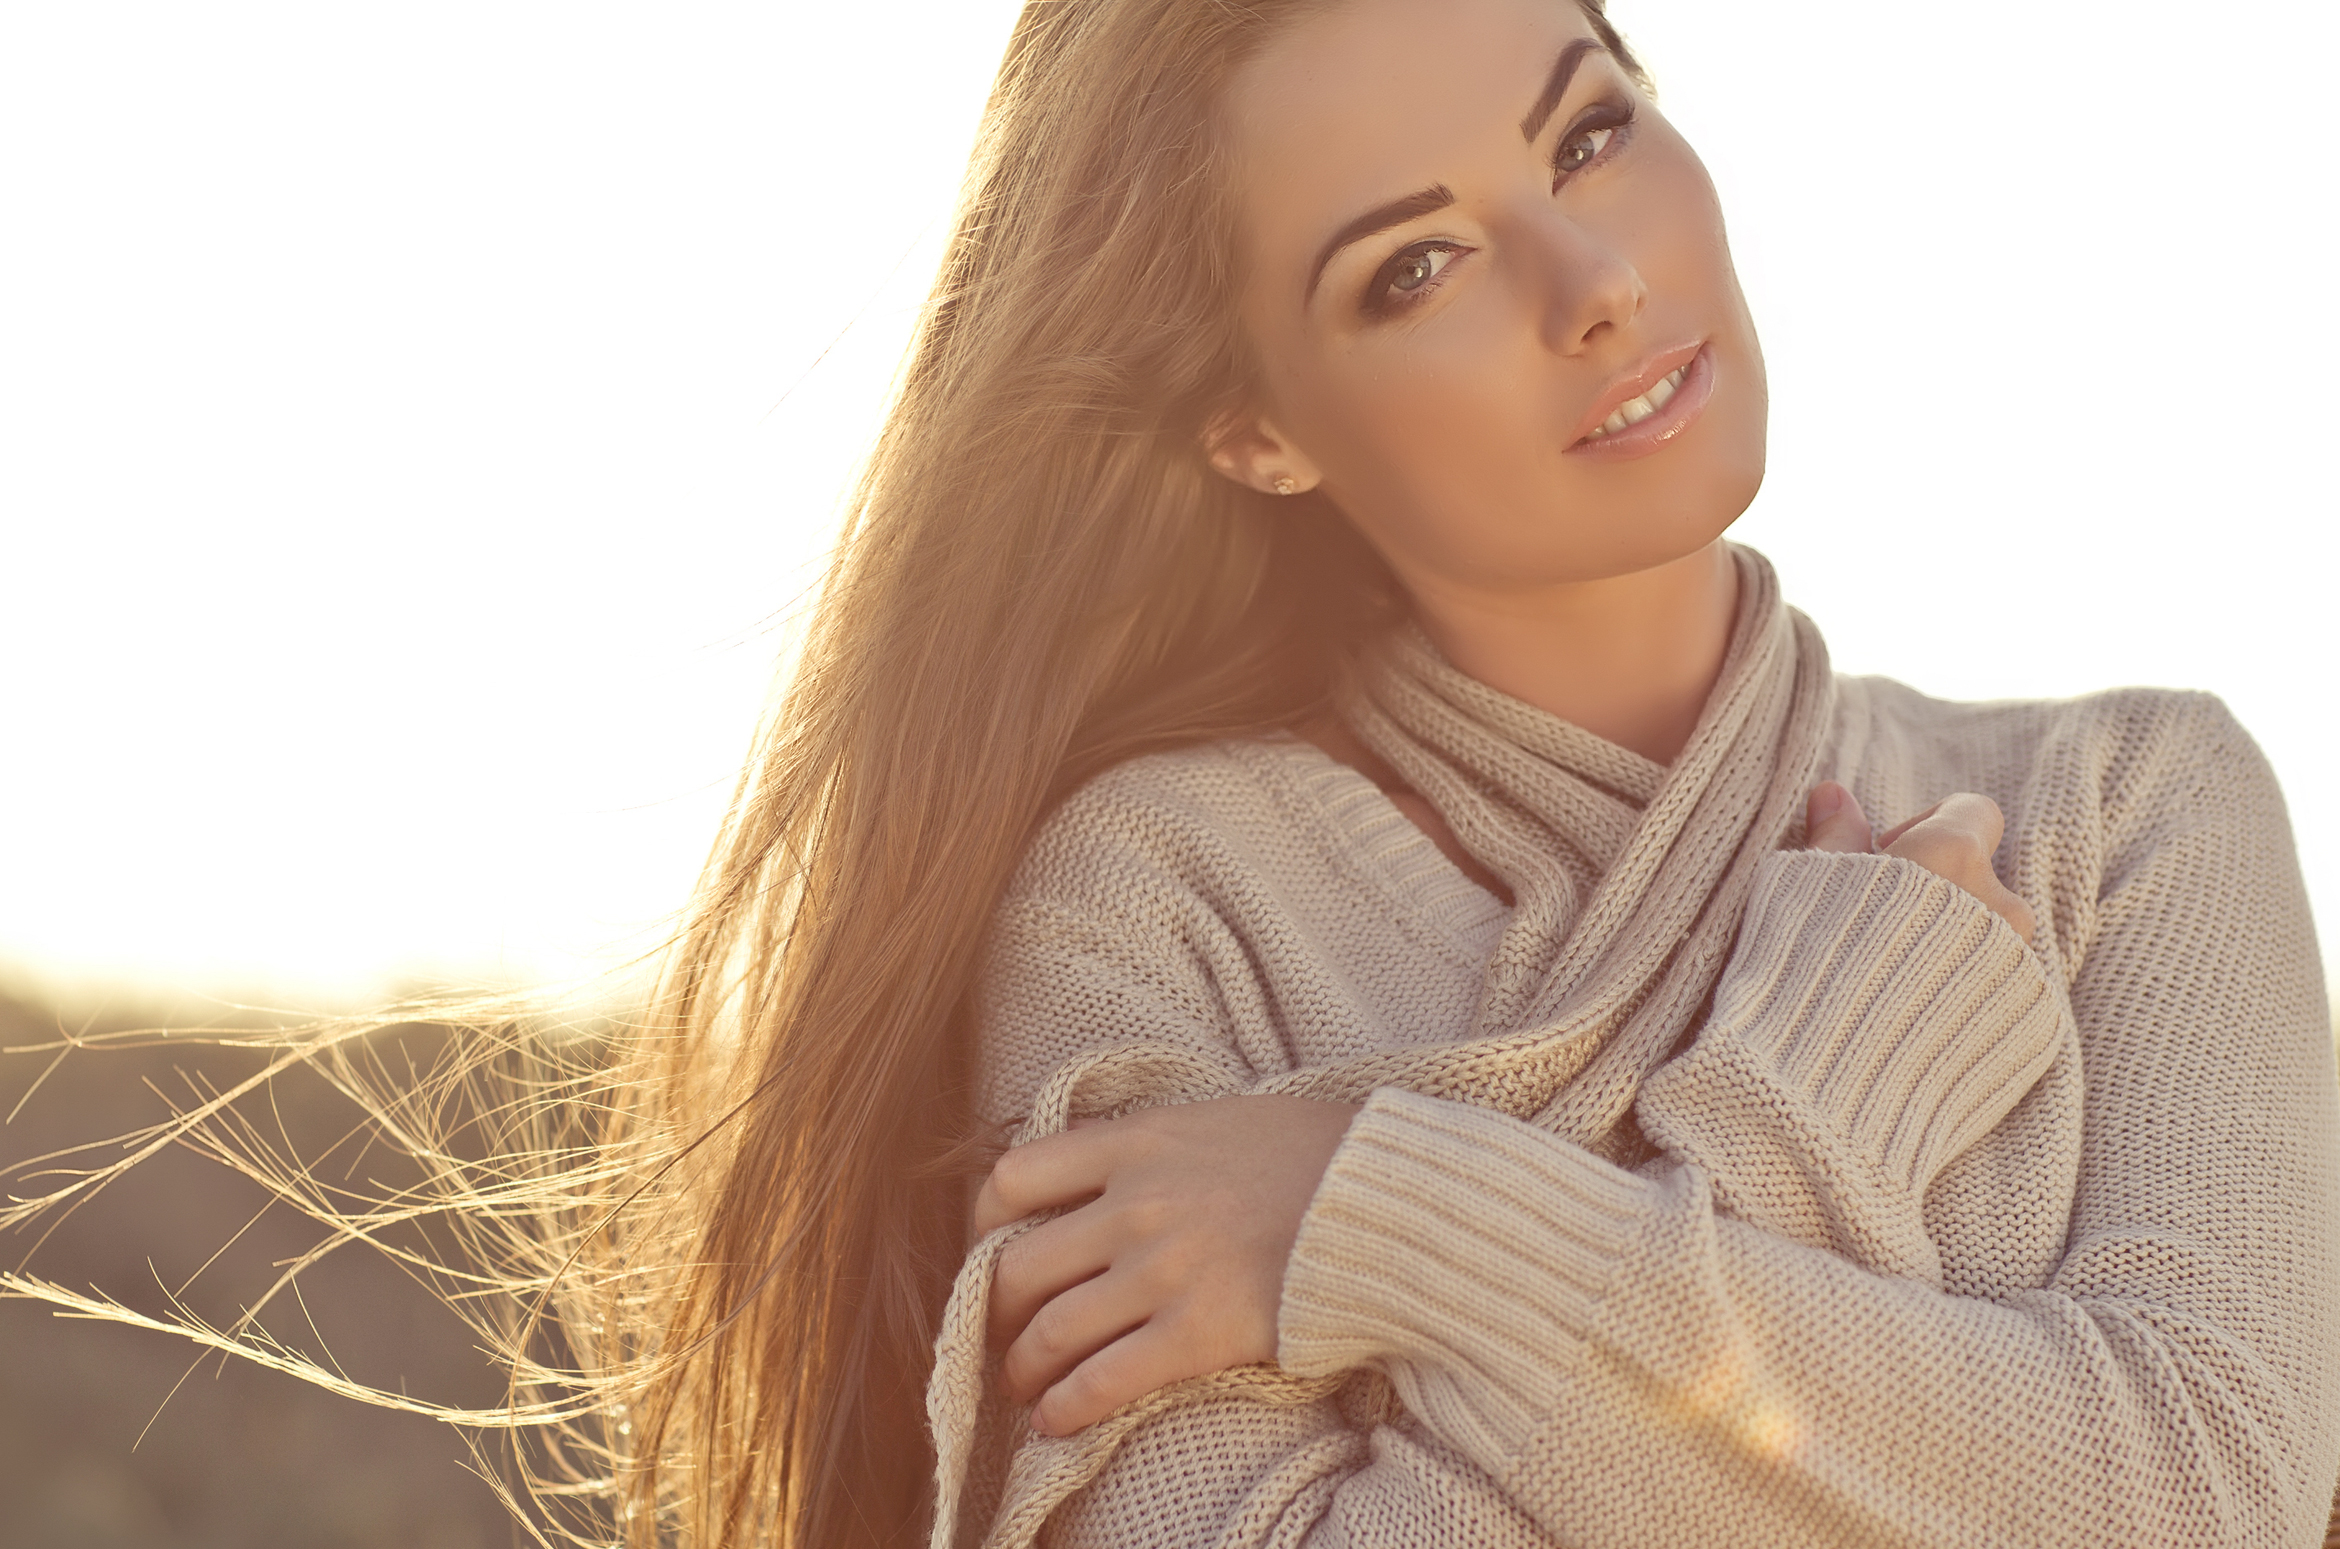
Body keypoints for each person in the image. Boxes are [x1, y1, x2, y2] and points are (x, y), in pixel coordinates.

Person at [7, 1, 2327, 1546]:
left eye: (1591, 129)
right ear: (1254, 426)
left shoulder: (2134, 810)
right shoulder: (1159, 904)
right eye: (1412, 270)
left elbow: (2221, 1484)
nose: (1591, 278)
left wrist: (1378, 1211)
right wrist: (1816, 1103)